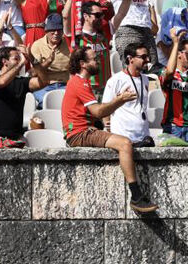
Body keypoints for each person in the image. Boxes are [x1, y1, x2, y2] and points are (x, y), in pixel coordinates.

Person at [61, 47, 158, 213]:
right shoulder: (80, 82)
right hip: (79, 133)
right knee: (125, 143)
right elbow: (99, 112)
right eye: (93, 59)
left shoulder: (80, 82)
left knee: (125, 142)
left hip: (82, 131)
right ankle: (136, 197)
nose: (97, 61)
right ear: (83, 64)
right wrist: (120, 99)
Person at [0, 44, 48, 146]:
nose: (19, 60)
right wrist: (22, 63)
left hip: (18, 138)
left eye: (20, 58)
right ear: (4, 61)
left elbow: (44, 81)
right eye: (16, 58)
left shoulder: (21, 82)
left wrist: (31, 57)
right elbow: (2, 82)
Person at [102, 43, 155, 146]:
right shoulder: (116, 80)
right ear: (130, 59)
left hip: (143, 137)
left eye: (148, 56)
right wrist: (109, 130)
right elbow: (105, 107)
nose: (147, 59)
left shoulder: (145, 79)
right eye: (143, 57)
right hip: (123, 138)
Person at [160, 29, 188, 145]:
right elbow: (169, 72)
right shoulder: (165, 72)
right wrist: (176, 43)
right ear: (179, 54)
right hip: (172, 125)